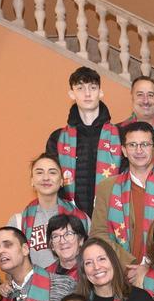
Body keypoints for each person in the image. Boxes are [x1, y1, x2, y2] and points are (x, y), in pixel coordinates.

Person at [90, 121, 154, 268]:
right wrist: (129, 265)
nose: (139, 150)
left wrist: (151, 269)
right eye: (132, 145)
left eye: (145, 144)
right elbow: (98, 234)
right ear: (124, 151)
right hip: (121, 273)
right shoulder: (107, 187)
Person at [46, 66, 122, 216]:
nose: (87, 93)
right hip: (69, 220)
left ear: (100, 92)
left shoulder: (120, 135)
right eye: (80, 88)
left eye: (92, 88)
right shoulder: (58, 138)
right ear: (71, 94)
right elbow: (52, 181)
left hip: (111, 216)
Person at [10, 153, 90, 269]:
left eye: (52, 172)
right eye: (39, 172)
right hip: (35, 286)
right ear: (32, 180)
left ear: (62, 181)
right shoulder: (18, 222)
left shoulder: (81, 218)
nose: (46, 178)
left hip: (74, 284)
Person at [44, 214, 86, 281]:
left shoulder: (91, 270)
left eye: (68, 234)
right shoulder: (45, 276)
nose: (62, 241)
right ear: (51, 245)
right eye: (56, 236)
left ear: (81, 240)